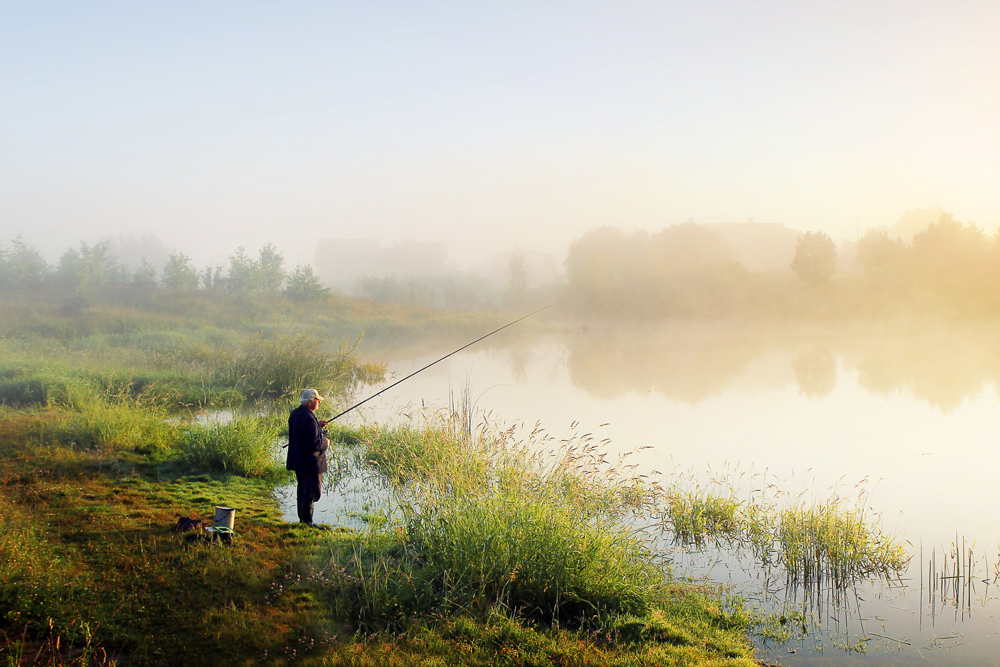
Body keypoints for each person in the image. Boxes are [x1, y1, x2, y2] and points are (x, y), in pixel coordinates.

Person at [286, 388, 329, 527]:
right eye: (317, 401)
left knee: (303, 490)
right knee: (311, 492)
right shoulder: (308, 417)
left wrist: (318, 426)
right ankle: (307, 521)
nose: (318, 403)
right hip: (310, 463)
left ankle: (304, 520)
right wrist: (326, 442)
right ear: (310, 401)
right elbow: (314, 443)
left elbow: (304, 434)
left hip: (299, 461)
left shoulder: (296, 413)